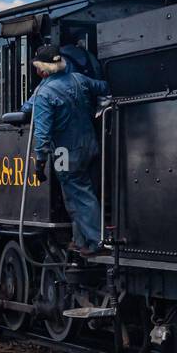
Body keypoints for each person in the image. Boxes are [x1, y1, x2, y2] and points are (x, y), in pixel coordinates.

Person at [21, 49, 108, 257]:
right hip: (90, 145)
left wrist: (40, 163)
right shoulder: (78, 79)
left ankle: (96, 241)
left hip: (64, 152)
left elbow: (41, 133)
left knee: (75, 196)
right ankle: (79, 240)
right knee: (85, 193)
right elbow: (103, 86)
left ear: (42, 70)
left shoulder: (44, 94)